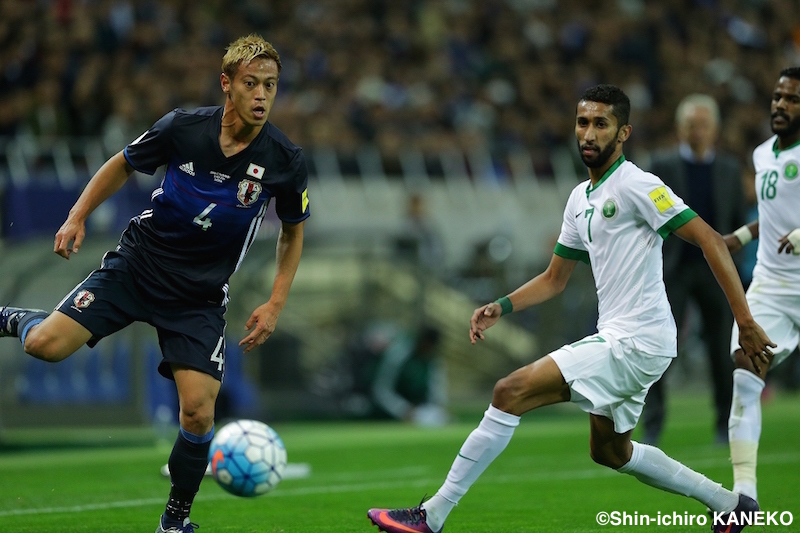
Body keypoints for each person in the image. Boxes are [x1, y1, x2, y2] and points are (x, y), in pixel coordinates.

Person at [366, 85, 774, 533]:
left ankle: (432, 515)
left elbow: (711, 240)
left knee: (509, 391)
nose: (589, 132)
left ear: (623, 133)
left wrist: (746, 321)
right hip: (629, 339)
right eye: (583, 122)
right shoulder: (581, 199)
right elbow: (554, 279)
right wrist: (503, 305)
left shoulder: (639, 185)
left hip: (637, 339)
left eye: (601, 124)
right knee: (611, 453)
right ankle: (729, 504)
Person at [0, 34, 309, 533]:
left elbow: (293, 233)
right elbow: (122, 164)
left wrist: (275, 301)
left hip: (198, 296)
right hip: (138, 267)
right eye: (251, 83)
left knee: (198, 413)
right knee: (44, 346)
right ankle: (12, 318)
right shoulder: (182, 128)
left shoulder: (285, 160)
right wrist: (77, 217)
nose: (261, 95)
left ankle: (175, 521)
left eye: (270, 86)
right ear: (227, 85)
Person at [642, 94, 747, 446]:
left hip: (715, 271)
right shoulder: (660, 165)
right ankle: (653, 424)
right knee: (659, 348)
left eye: (703, 125)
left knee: (722, 349)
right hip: (672, 271)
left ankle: (724, 423)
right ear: (679, 128)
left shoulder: (730, 170)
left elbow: (734, 222)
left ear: (714, 129)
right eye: (690, 125)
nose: (697, 131)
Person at [723, 67, 800, 504]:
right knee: (745, 371)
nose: (781, 106)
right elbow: (775, 213)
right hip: (772, 284)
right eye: (777, 97)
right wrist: (743, 236)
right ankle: (744, 494)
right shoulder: (761, 155)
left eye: (792, 99)